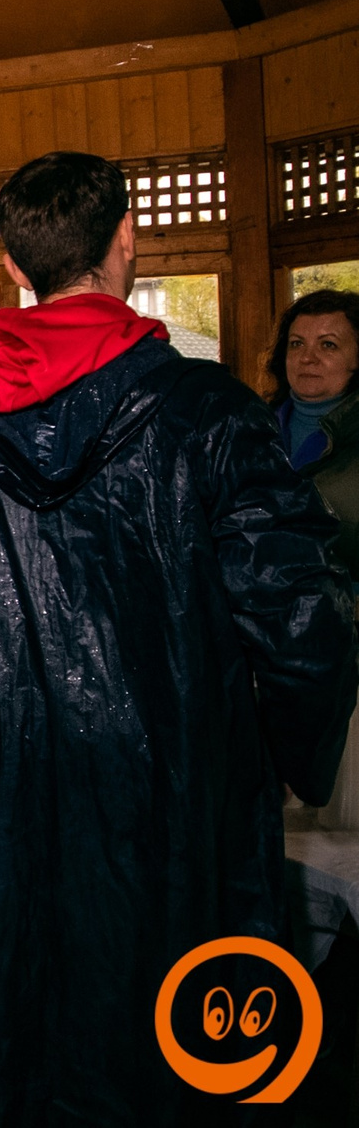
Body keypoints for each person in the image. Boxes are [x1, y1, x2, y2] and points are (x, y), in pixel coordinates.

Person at [0, 151, 356, 1126]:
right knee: (166, 1054)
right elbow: (300, 621)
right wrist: (289, 753)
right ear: (127, 241)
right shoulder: (212, 415)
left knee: (8, 1045)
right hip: (169, 802)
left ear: (13, 265)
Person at [267, 287, 359, 827]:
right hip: (266, 653)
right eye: (297, 343)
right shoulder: (251, 428)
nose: (308, 358)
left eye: (328, 344)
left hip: (347, 655)